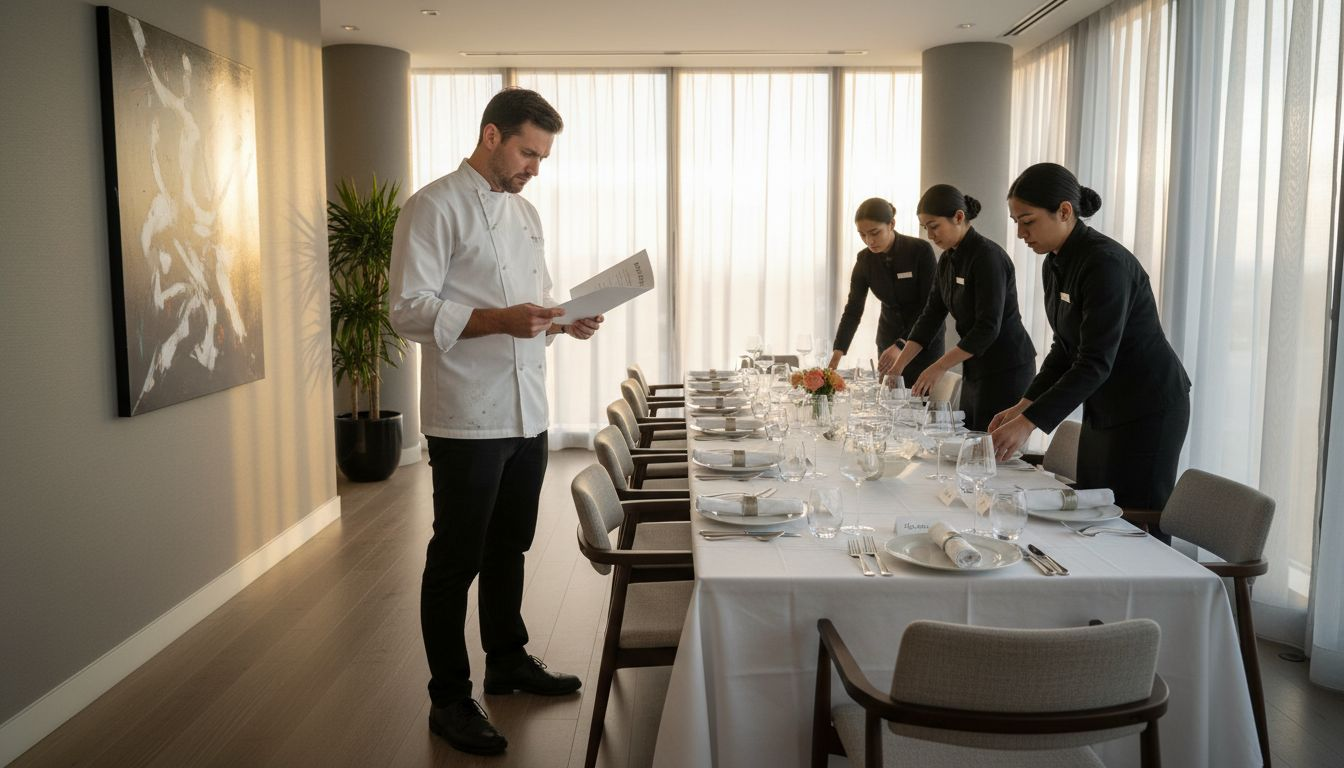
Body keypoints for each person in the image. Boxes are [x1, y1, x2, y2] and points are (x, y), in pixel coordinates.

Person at [388, 87, 603, 757]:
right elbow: (408, 310)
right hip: (467, 416)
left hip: (527, 411)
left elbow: (527, 313)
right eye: (528, 153)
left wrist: (562, 323)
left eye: (542, 157)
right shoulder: (432, 206)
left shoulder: (527, 215)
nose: (535, 167)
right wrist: (502, 321)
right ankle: (449, 697)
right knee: (455, 560)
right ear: (492, 136)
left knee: (510, 545)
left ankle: (507, 661)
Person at [989, 162, 1191, 513]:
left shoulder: (1104, 263)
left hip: (1148, 406)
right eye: (1016, 223)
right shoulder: (1053, 262)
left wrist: (1029, 423)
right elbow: (1065, 350)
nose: (1021, 233)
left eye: (1028, 220)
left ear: (1064, 211)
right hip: (1105, 404)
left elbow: (1095, 360)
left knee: (1134, 521)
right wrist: (1024, 405)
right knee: (1094, 510)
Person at [884, 184, 1036, 431]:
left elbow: (987, 327)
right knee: (970, 440)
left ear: (958, 217)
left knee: (987, 449)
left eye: (934, 226)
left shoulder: (987, 257)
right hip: (976, 366)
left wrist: (939, 366)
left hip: (1007, 368)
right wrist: (898, 366)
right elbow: (930, 316)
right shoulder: (947, 260)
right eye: (926, 228)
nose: (930, 236)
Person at [828, 198, 944, 381]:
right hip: (888, 340)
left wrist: (901, 345)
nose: (869, 241)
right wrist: (837, 353)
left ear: (891, 224)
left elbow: (928, 306)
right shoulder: (865, 260)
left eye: (875, 233)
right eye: (862, 235)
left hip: (922, 343)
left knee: (921, 403)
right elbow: (853, 310)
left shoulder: (919, 251)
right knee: (889, 403)